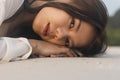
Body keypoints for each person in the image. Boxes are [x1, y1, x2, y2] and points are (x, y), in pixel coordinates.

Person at [0, 0, 108, 62]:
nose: (60, 35)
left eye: (67, 41)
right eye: (72, 24)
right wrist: (34, 46)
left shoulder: (20, 29)